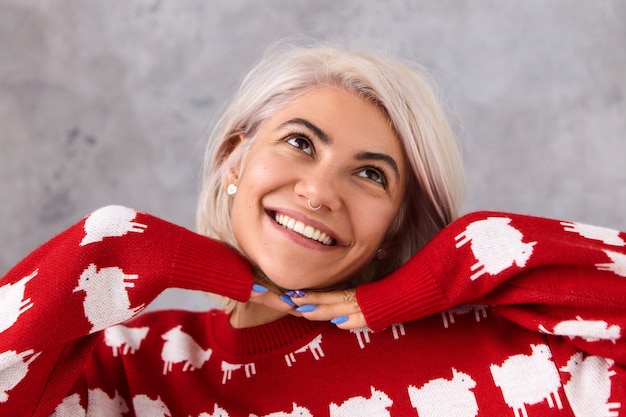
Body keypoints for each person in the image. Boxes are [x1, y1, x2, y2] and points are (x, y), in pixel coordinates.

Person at [1, 42, 624, 417]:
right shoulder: (130, 369)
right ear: (234, 162)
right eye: (300, 142)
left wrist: (476, 247)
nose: (320, 191)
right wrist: (120, 243)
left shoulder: (507, 356)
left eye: (371, 176)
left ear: (392, 228)